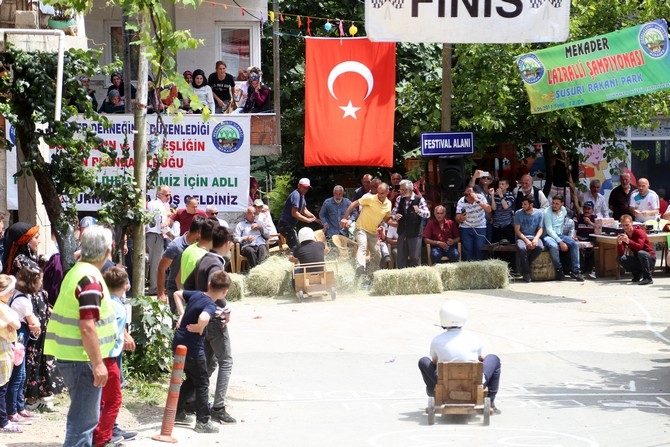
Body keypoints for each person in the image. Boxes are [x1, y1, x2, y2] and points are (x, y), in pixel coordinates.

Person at [44, 225, 118, 447]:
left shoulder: (78, 271)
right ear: (107, 251)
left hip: (74, 356)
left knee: (82, 418)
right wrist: (98, 364)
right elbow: (87, 326)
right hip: (82, 359)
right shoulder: (90, 279)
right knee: (84, 421)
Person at [181, 226, 236, 425]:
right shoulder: (216, 263)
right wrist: (225, 307)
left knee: (206, 364)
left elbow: (187, 285)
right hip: (212, 318)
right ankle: (218, 407)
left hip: (202, 316)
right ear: (228, 244)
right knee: (225, 361)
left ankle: (190, 400)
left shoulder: (203, 258)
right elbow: (214, 287)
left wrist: (194, 306)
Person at [173, 271, 232, 434]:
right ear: (224, 292)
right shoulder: (211, 305)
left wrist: (182, 313)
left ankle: (178, 412)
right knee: (203, 382)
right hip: (193, 348)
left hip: (178, 342)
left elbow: (177, 294)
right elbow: (205, 317)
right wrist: (200, 326)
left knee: (192, 378)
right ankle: (203, 421)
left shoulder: (197, 295)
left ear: (209, 285)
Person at [418, 300, 501, 412]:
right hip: (475, 382)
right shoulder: (474, 338)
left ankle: (431, 391)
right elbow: (481, 358)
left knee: (423, 361)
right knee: (494, 358)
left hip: (444, 382)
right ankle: (490, 400)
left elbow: (434, 361)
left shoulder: (437, 340)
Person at [93, 267, 135, 447]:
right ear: (126, 286)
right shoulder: (119, 308)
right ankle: (103, 438)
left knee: (99, 399)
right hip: (109, 358)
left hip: (94, 356)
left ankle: (97, 433)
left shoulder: (101, 301)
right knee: (114, 400)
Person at [340, 183, 392, 279]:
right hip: (361, 228)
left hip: (373, 232)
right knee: (363, 245)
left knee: (377, 255)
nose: (380, 195)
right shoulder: (370, 198)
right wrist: (345, 218)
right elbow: (354, 203)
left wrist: (396, 223)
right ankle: (360, 268)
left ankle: (370, 276)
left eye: (382, 193)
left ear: (387, 192)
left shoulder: (388, 204)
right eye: (379, 193)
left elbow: (386, 218)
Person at [157, 217, 205, 314]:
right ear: (199, 232)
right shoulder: (175, 246)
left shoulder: (201, 246)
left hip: (195, 289)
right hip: (175, 289)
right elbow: (161, 269)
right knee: (178, 323)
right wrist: (161, 293)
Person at [543, 195, 585, 281]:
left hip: (560, 234)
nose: (554, 205)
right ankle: (559, 269)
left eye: (557, 204)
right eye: (553, 203)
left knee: (574, 244)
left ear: (562, 204)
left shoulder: (564, 210)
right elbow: (549, 229)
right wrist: (560, 242)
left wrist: (564, 239)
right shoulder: (547, 212)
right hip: (548, 235)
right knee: (554, 246)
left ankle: (575, 271)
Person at [392, 179, 430, 268]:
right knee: (401, 257)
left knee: (414, 257)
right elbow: (393, 212)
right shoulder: (399, 199)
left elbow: (427, 214)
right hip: (402, 232)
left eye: (403, 190)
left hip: (415, 232)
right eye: (401, 190)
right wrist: (395, 216)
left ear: (410, 189)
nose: (401, 192)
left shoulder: (419, 199)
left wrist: (419, 211)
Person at [0, 274, 21, 433]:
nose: (12, 294)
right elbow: (16, 323)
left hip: (5, 350)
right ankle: (2, 422)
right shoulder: (2, 307)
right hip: (2, 353)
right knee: (1, 388)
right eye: (10, 291)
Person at [146, 186, 173, 295]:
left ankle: (154, 286)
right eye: (167, 195)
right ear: (159, 194)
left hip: (151, 235)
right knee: (156, 263)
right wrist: (171, 234)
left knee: (153, 262)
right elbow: (162, 224)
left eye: (170, 195)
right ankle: (154, 288)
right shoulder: (159, 205)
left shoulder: (152, 203)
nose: (169, 197)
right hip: (155, 235)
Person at [277, 178, 318, 250]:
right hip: (285, 225)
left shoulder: (302, 195)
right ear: (299, 185)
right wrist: (307, 220)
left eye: (307, 188)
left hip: (290, 226)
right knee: (295, 247)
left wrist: (314, 218)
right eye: (304, 187)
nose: (305, 189)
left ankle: (294, 258)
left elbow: (304, 210)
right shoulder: (296, 195)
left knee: (296, 245)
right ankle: (293, 259)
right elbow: (294, 213)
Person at [617, 214, 655, 285]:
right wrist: (620, 243)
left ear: (631, 223)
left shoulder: (639, 232)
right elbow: (621, 253)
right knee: (620, 258)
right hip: (639, 259)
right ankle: (637, 273)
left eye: (627, 225)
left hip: (649, 258)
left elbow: (639, 247)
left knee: (641, 253)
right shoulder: (625, 235)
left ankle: (648, 278)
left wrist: (628, 241)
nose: (625, 227)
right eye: (623, 225)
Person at [455, 187, 491, 261]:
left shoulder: (481, 197)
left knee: (480, 248)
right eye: (466, 194)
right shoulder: (461, 201)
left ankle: (480, 268)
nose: (468, 196)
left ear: (475, 193)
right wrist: (461, 218)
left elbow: (489, 209)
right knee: (468, 250)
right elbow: (457, 218)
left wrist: (477, 200)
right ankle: (469, 268)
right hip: (466, 227)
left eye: (470, 194)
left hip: (480, 226)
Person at [514, 195, 544, 283]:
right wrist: (526, 240)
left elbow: (540, 228)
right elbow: (517, 230)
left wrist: (535, 239)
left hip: (534, 236)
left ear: (531, 205)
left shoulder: (539, 213)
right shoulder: (518, 213)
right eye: (522, 204)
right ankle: (527, 272)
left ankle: (525, 266)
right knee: (522, 248)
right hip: (522, 237)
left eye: (525, 204)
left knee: (540, 247)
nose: (522, 206)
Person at [468, 170, 494, 241]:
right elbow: (470, 187)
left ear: (491, 181)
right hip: (478, 222)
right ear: (480, 179)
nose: (486, 179)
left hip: (488, 221)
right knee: (480, 244)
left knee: (488, 243)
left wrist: (492, 217)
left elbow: (493, 207)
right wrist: (474, 177)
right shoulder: (477, 188)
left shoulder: (491, 191)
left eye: (488, 178)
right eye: (484, 177)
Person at [574, 201, 597, 280]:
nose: (586, 210)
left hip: (590, 239)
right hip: (580, 238)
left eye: (589, 209)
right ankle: (581, 270)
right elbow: (574, 231)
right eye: (585, 208)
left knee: (593, 249)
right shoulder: (577, 217)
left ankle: (589, 271)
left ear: (592, 210)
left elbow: (599, 230)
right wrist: (575, 237)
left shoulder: (595, 218)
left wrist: (590, 223)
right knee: (578, 247)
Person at [490, 177, 515, 244]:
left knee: (509, 244)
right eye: (499, 184)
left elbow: (506, 206)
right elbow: (494, 208)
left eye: (502, 184)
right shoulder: (495, 195)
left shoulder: (510, 195)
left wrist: (501, 195)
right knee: (495, 244)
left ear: (507, 186)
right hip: (496, 224)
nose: (500, 186)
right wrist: (492, 196)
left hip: (507, 223)